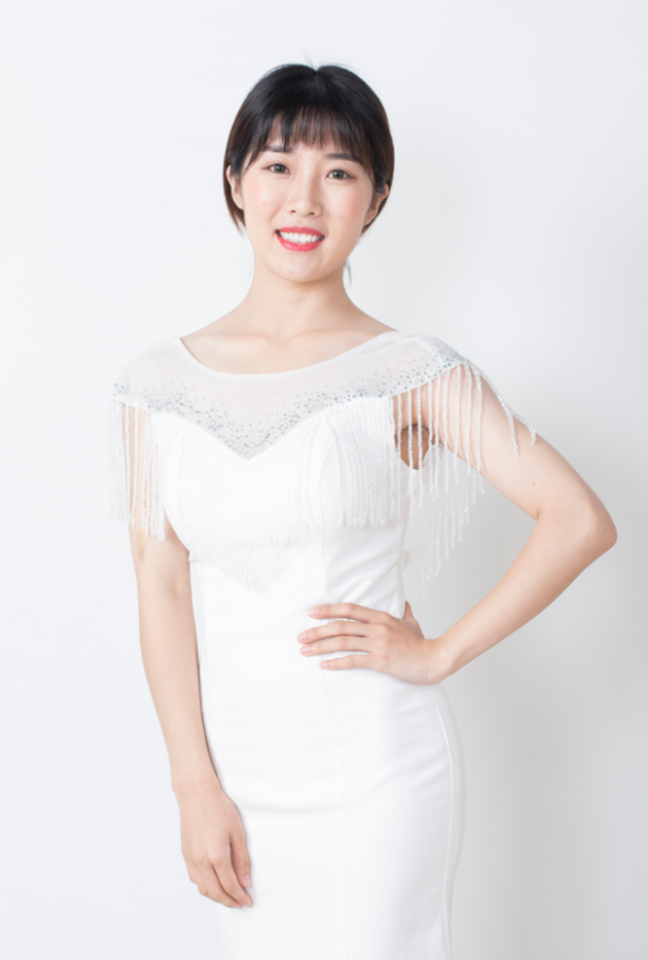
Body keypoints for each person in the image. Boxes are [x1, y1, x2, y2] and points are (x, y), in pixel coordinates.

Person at [109, 63, 616, 960]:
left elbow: (578, 518)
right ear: (235, 181)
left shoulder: (408, 371)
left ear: (375, 200)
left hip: (375, 770)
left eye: (339, 172)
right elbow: (161, 585)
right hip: (237, 778)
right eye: (278, 165)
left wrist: (438, 653)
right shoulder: (156, 386)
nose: (304, 198)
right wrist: (194, 784)